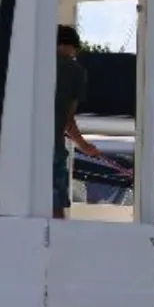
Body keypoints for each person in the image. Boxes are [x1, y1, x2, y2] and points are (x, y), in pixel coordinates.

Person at [54, 24, 103, 218]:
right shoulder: (75, 71)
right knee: (55, 204)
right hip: (52, 150)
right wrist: (85, 146)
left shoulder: (34, 64)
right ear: (69, 46)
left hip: (23, 150)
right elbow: (68, 121)